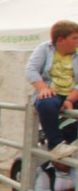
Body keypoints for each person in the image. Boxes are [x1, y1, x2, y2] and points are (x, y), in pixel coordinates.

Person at [25, 20, 78, 159]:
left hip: (73, 93)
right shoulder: (44, 49)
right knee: (46, 104)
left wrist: (70, 99)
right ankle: (56, 145)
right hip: (51, 92)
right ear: (61, 40)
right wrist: (42, 89)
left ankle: (70, 138)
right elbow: (31, 70)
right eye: (75, 38)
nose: (77, 41)